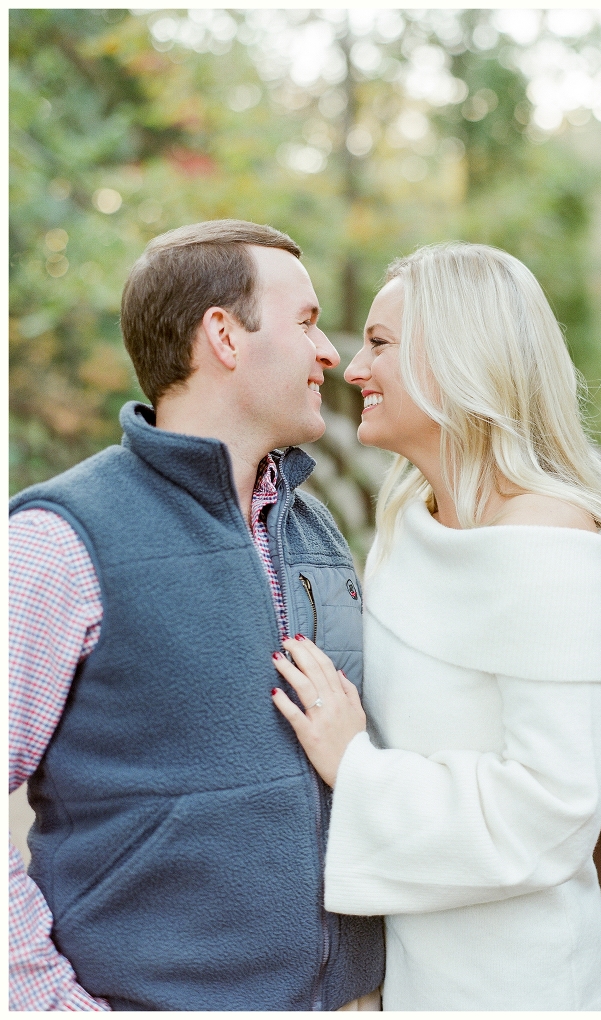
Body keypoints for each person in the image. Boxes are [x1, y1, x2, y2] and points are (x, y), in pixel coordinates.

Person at [9, 220, 384, 1011]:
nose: (330, 355)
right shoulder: (57, 540)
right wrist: (46, 1003)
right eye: (307, 323)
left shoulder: (316, 531)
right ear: (224, 335)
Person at [270, 242, 601, 1010]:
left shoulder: (550, 539)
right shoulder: (407, 514)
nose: (352, 368)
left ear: (458, 358)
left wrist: (356, 766)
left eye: (379, 344)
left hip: (519, 985)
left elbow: (553, 812)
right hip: (415, 971)